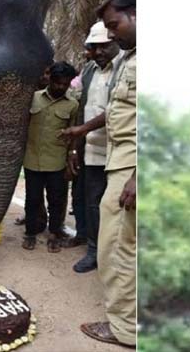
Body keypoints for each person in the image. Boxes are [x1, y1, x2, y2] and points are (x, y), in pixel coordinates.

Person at [63, 0, 136, 347]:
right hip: (112, 157)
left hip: (130, 164)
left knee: (118, 247)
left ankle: (126, 329)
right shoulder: (116, 64)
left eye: (114, 25)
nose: (110, 34)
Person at [67, 21, 120, 273]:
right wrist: (75, 149)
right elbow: (82, 109)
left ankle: (114, 254)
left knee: (116, 206)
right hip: (91, 151)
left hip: (119, 152)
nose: (97, 52)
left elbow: (117, 111)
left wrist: (83, 129)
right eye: (93, 47)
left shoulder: (125, 68)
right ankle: (93, 251)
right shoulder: (89, 70)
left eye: (103, 46)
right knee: (92, 202)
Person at [22, 62, 79, 253]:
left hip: (56, 162)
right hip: (32, 160)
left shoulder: (73, 105)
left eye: (65, 84)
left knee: (56, 200)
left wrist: (71, 155)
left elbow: (74, 134)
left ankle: (54, 234)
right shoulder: (33, 98)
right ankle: (30, 233)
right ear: (50, 80)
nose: (61, 87)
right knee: (32, 199)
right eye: (58, 83)